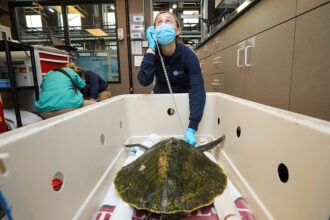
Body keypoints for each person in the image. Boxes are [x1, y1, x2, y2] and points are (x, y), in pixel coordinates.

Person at [137, 11, 206, 146]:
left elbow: (197, 89)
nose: (163, 25)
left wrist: (192, 127)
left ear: (177, 31)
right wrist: (151, 48)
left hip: (183, 102)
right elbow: (144, 81)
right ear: (154, 31)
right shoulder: (153, 53)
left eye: (168, 21)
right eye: (159, 22)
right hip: (160, 99)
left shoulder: (188, 56)